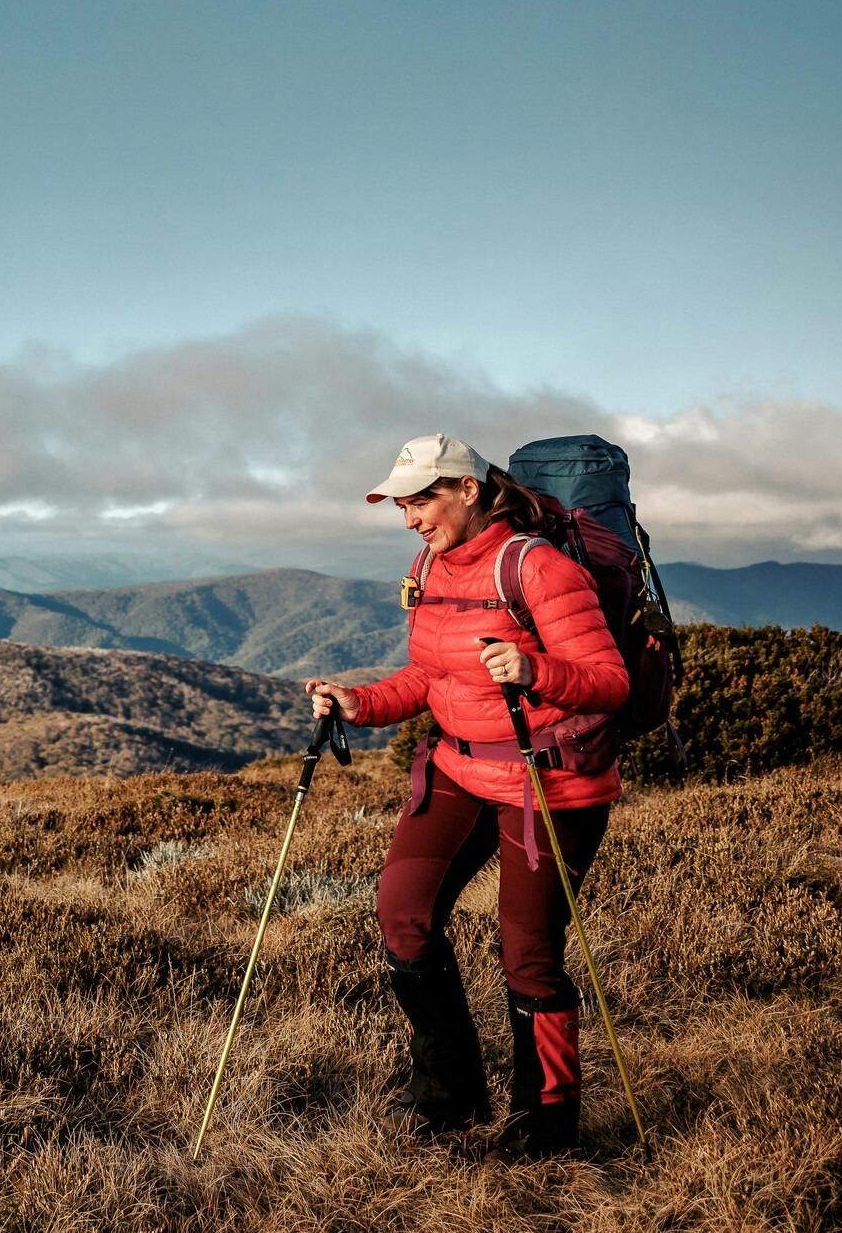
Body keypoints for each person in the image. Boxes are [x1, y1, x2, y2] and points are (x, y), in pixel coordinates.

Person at [307, 433, 629, 1159]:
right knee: (403, 914)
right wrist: (359, 702)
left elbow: (611, 682)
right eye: (402, 504)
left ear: (469, 489)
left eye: (422, 499)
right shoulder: (429, 566)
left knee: (529, 956)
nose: (410, 517)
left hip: (547, 780)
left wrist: (535, 668)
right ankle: (448, 1100)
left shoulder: (537, 567)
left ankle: (542, 1131)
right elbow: (432, 677)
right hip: (456, 768)